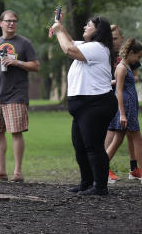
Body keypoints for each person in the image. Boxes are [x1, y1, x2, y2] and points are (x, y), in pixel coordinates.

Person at [50, 12, 118, 196]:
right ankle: (86, 183)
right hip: (83, 105)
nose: (84, 27)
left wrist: (57, 30)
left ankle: (100, 187)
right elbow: (70, 41)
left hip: (95, 104)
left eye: (88, 25)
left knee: (93, 146)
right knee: (80, 146)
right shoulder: (88, 45)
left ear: (98, 30)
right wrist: (60, 25)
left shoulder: (98, 48)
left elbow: (68, 49)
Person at [0, 10, 40, 183]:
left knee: (16, 132)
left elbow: (36, 66)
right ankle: (0, 170)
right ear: (1, 23)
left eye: (14, 21)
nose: (11, 24)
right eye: (8, 21)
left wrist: (17, 62)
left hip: (15, 94)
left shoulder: (24, 43)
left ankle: (18, 172)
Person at [104, 38, 142, 181]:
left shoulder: (127, 67)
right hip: (125, 110)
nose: (138, 60)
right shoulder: (121, 68)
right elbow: (118, 91)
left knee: (118, 140)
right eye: (137, 56)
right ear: (131, 52)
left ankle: (99, 169)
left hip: (129, 108)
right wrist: (123, 114)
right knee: (138, 140)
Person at [105, 24, 127, 181]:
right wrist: (116, 81)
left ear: (122, 38)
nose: (112, 42)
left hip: (125, 97)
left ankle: (135, 168)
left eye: (115, 38)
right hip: (109, 96)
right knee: (112, 132)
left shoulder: (127, 56)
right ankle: (104, 168)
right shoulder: (105, 54)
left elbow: (135, 76)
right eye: (110, 38)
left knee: (128, 134)